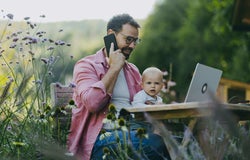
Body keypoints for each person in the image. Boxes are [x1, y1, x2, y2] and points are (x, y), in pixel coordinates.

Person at [67, 13, 170, 160]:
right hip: (100, 140)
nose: (132, 46)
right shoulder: (86, 66)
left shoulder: (132, 70)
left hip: (132, 132)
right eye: (128, 39)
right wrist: (114, 68)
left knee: (181, 136)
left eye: (136, 41)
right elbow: (93, 103)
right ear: (111, 35)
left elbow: (142, 103)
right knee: (155, 143)